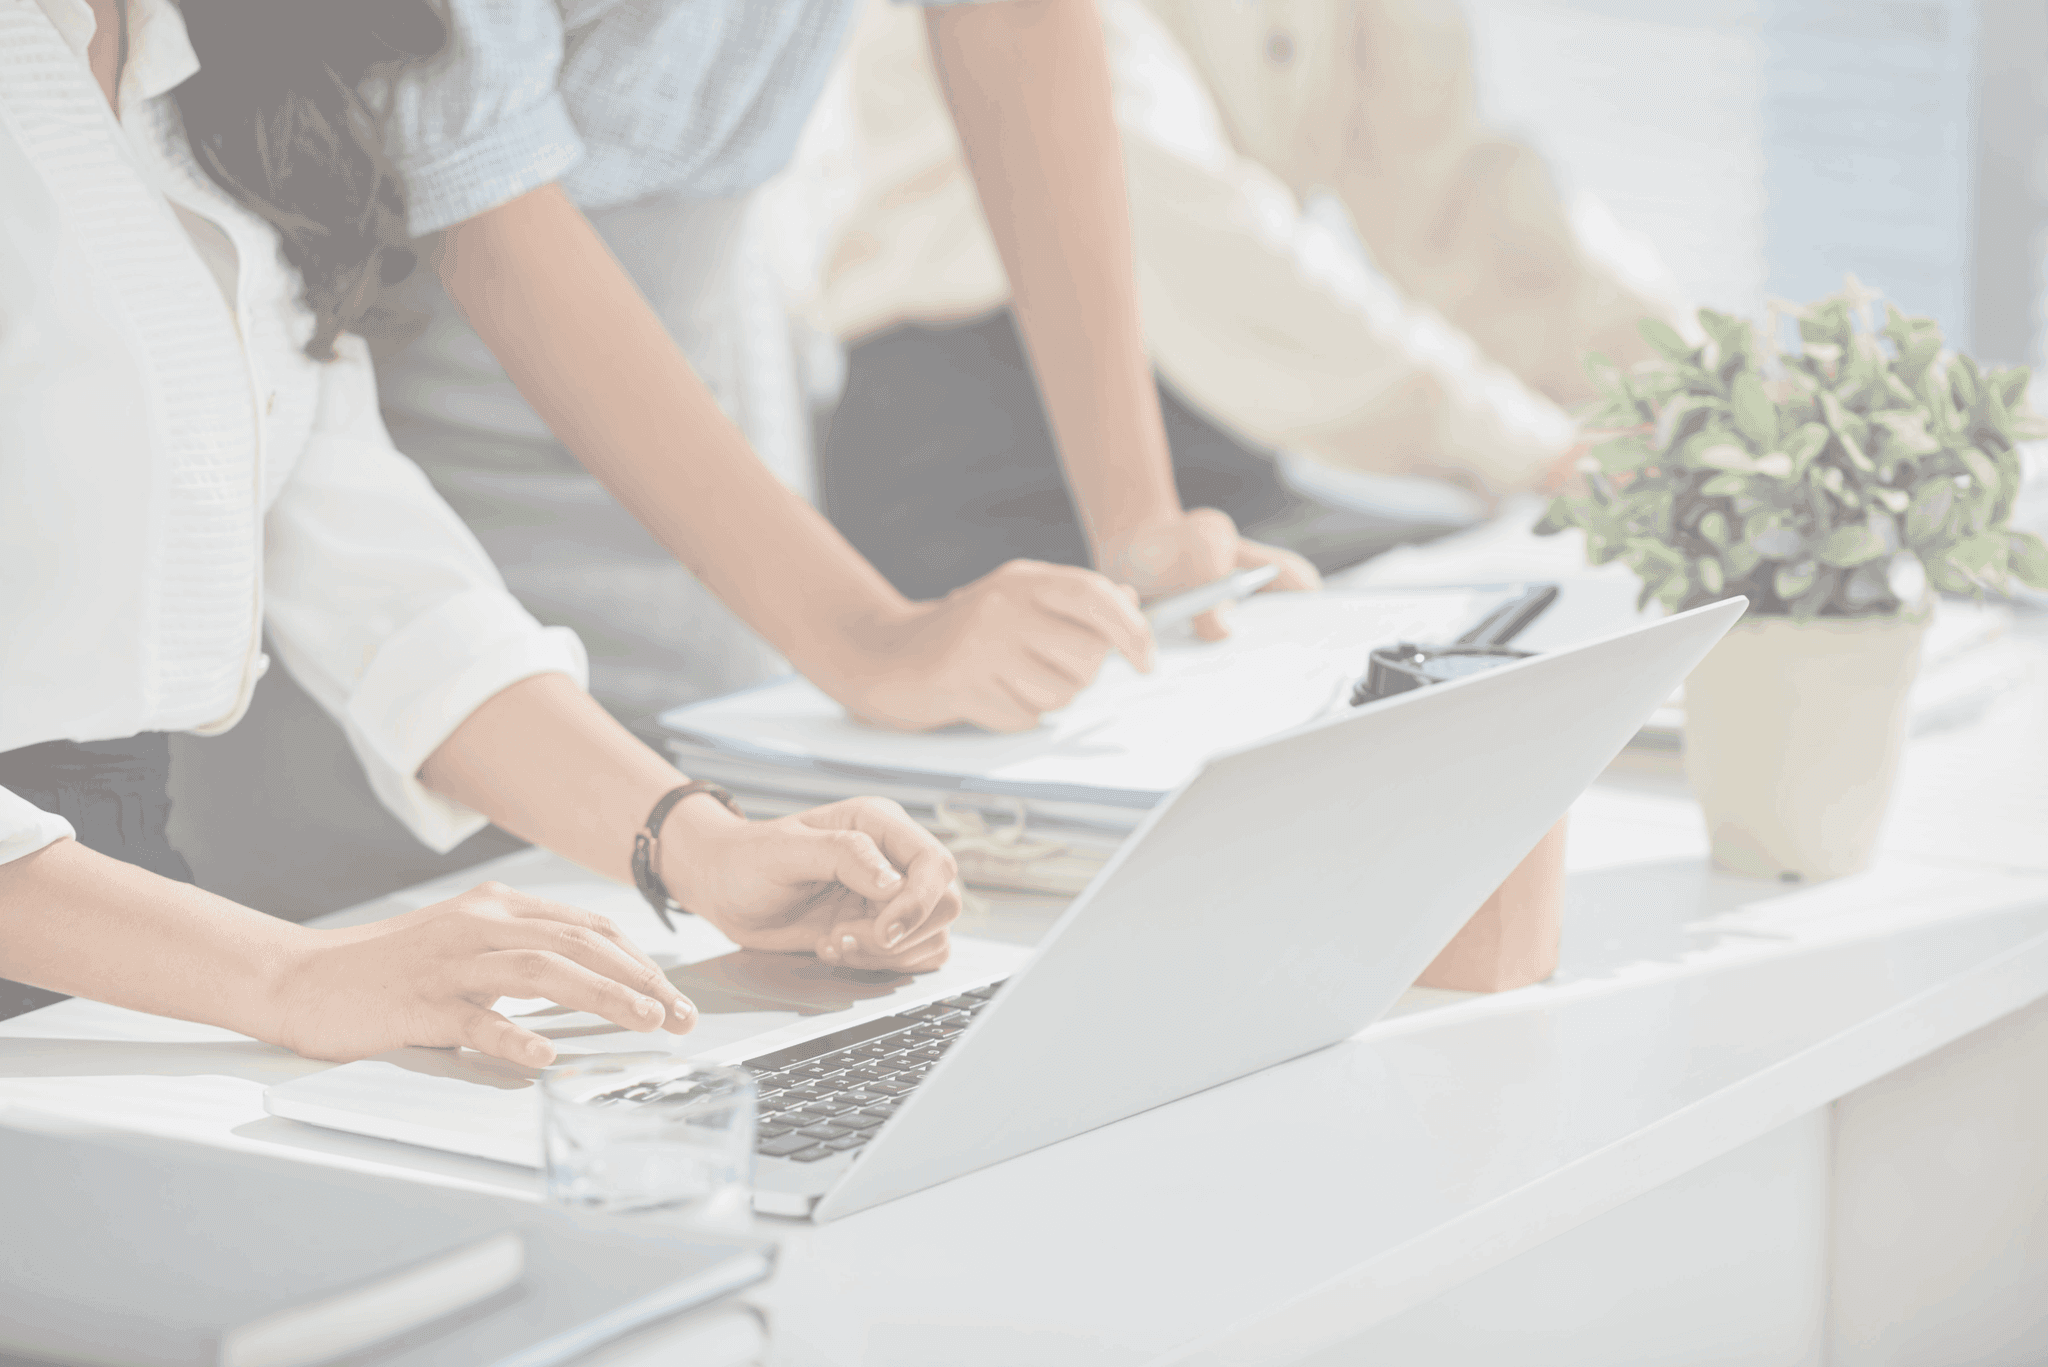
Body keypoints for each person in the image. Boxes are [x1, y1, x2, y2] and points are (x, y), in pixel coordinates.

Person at [0, 0, 959, 1057]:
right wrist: (292, 973)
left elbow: (367, 560)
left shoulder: (198, 62)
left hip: (119, 926)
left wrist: (696, 844)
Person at [370, 0, 1321, 746]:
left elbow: (1010, 11)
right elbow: (475, 181)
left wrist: (1136, 523)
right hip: (408, 381)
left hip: (687, 370)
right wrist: (862, 636)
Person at [801, 0, 1693, 597]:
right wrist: (1538, 454)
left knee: (1499, 621)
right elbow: (1191, 225)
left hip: (1227, 445)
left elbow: (1453, 189)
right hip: (976, 450)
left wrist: (1685, 386)